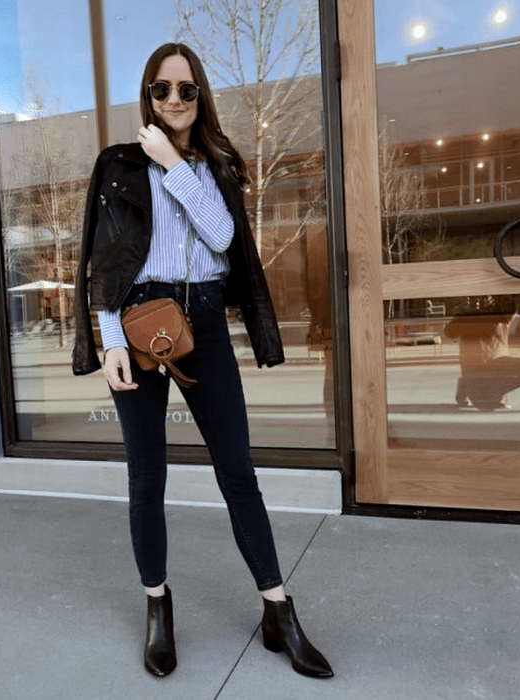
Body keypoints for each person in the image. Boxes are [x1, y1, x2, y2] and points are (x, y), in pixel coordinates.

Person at [72, 43, 333, 679]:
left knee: (237, 469)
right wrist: (109, 342)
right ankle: (158, 607)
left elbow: (221, 237)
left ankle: (278, 610)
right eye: (161, 90)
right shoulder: (118, 164)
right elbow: (105, 262)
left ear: (201, 95)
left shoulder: (217, 162)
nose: (174, 101)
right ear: (148, 95)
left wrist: (175, 164)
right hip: (136, 323)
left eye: (186, 90)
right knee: (147, 475)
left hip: (205, 322)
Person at [444, 296, 520, 410]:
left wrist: (495, 298)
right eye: (475, 299)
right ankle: (467, 385)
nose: (479, 302)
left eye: (483, 298)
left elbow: (510, 306)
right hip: (474, 373)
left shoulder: (500, 313)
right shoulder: (465, 316)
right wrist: (462, 315)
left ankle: (495, 393)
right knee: (485, 405)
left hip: (496, 367)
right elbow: (449, 332)